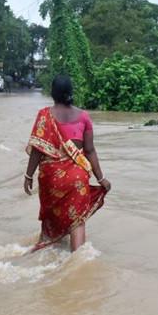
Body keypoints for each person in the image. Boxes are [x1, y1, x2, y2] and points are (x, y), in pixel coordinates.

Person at [24, 75, 111, 251]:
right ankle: (77, 262)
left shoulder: (44, 116)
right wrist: (101, 179)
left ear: (52, 93)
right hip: (77, 177)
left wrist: (28, 175)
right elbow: (89, 150)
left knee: (49, 219)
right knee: (77, 221)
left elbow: (37, 150)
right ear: (71, 92)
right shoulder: (84, 116)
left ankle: (41, 253)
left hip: (50, 177)